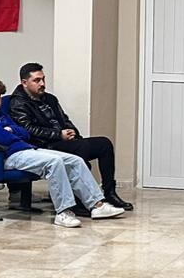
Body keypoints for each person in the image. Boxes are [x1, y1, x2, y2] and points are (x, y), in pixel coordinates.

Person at [0, 79, 125, 228]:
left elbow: (24, 133)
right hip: (6, 156)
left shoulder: (0, 115)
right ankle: (63, 212)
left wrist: (11, 130)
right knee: (54, 162)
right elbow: (3, 138)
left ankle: (97, 205)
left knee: (74, 160)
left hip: (25, 149)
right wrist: (11, 132)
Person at [8, 63, 133, 210]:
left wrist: (73, 132)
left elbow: (64, 119)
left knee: (104, 143)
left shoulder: (50, 98)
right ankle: (79, 202)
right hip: (43, 145)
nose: (42, 84)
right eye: (37, 80)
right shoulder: (17, 103)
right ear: (24, 83)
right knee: (81, 149)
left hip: (62, 140)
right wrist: (58, 135)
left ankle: (109, 192)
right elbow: (28, 130)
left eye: (43, 79)